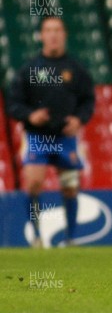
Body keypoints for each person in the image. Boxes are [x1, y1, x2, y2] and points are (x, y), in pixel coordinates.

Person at [8, 17, 95, 247]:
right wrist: (30, 116)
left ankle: (70, 238)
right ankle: (36, 236)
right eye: (49, 30)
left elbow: (88, 101)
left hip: (66, 136)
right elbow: (13, 103)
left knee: (70, 188)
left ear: (64, 34)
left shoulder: (76, 69)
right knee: (34, 183)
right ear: (42, 35)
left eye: (57, 30)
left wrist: (79, 119)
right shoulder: (30, 68)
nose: (53, 35)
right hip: (38, 136)